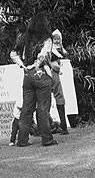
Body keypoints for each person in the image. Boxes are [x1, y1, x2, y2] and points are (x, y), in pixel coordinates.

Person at [10, 13, 58, 147]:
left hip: (27, 75)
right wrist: (37, 65)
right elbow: (43, 55)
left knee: (26, 109)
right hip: (41, 74)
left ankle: (22, 140)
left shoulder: (25, 37)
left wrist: (23, 65)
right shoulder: (47, 38)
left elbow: (13, 53)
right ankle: (47, 139)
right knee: (43, 108)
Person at [50, 29, 68, 135]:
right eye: (55, 39)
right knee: (46, 99)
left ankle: (63, 125)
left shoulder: (59, 47)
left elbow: (64, 54)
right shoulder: (51, 47)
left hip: (54, 73)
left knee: (58, 97)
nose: (57, 41)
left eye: (58, 39)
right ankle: (49, 125)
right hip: (51, 72)